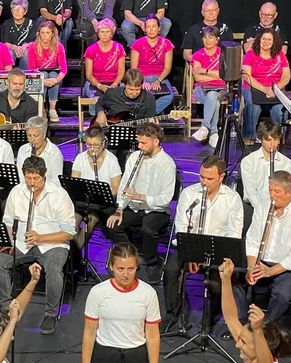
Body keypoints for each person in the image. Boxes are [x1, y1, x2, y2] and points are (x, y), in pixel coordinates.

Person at [0, 156, 75, 334]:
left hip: (53, 244)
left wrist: (41, 237)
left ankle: (50, 313)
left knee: (54, 268)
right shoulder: (17, 192)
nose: (31, 183)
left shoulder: (59, 195)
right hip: (23, 243)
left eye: (36, 178)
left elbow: (69, 233)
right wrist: (10, 241)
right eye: (28, 178)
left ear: (44, 176)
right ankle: (7, 308)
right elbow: (8, 221)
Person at [162, 155, 244, 331]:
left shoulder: (232, 198)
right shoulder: (189, 194)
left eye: (210, 178)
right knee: (170, 270)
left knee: (216, 283)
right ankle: (173, 312)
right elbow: (181, 227)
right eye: (202, 177)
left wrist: (215, 253)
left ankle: (211, 314)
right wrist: (192, 254)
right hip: (191, 245)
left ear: (221, 177)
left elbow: (234, 234)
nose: (204, 182)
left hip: (218, 249)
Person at [234, 170, 291, 325]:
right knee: (233, 275)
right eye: (270, 190)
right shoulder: (263, 207)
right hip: (260, 261)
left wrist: (269, 271)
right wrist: (251, 266)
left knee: (283, 293)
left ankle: (265, 327)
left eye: (277, 191)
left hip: (286, 268)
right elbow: (253, 240)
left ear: (290, 192)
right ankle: (241, 323)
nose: (272, 195)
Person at [104, 122, 176, 283]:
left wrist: (140, 196)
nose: (139, 146)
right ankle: (130, 258)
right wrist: (119, 209)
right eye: (139, 142)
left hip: (157, 210)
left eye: (143, 143)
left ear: (156, 142)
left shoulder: (167, 164)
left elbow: (165, 199)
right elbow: (124, 186)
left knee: (149, 229)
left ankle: (152, 263)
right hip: (135, 207)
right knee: (114, 224)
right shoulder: (134, 157)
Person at [70, 125, 121, 248]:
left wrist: (101, 194)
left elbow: (116, 188)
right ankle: (75, 256)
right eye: (89, 145)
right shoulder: (80, 158)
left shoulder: (112, 160)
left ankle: (75, 255)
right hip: (83, 203)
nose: (92, 149)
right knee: (73, 223)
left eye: (96, 145)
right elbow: (74, 183)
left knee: (90, 221)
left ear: (103, 143)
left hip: (102, 206)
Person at [240, 119, 291, 228]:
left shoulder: (286, 163)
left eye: (275, 139)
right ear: (260, 140)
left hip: (280, 209)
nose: (272, 144)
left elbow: (290, 191)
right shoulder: (248, 161)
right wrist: (263, 211)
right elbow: (251, 192)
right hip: (254, 208)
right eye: (268, 140)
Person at [241, 30, 291, 142]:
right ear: (259, 40)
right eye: (263, 39)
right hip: (253, 86)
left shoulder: (280, 55)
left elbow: (286, 76)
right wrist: (265, 89)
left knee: (278, 109)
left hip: (275, 88)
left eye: (269, 39)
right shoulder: (250, 54)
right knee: (253, 107)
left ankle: (276, 137)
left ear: (274, 42)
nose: (266, 42)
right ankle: (250, 136)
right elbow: (246, 76)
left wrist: (274, 89)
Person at [23, 21, 67, 122]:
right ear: (39, 33)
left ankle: (52, 109)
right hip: (38, 76)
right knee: (44, 75)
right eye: (42, 33)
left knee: (52, 74)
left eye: (47, 33)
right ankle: (41, 108)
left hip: (54, 75)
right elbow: (32, 69)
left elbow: (64, 68)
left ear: (52, 34)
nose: (45, 35)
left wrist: (56, 80)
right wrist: (42, 81)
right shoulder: (33, 47)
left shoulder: (59, 46)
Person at [130, 15, 175, 114]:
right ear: (145, 29)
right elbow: (134, 68)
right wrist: (141, 81)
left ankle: (146, 114)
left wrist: (158, 81)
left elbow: (167, 67)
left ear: (159, 28)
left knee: (169, 96)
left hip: (160, 77)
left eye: (153, 26)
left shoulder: (167, 44)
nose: (151, 29)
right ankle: (146, 114)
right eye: (148, 27)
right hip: (141, 77)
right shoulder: (137, 44)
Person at [191, 26, 226, 147]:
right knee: (214, 102)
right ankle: (213, 133)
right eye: (205, 37)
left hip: (221, 89)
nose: (207, 40)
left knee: (212, 95)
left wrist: (205, 71)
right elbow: (198, 78)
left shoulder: (223, 54)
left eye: (211, 37)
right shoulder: (197, 55)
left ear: (217, 39)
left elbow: (224, 76)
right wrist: (216, 75)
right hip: (200, 89)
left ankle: (205, 128)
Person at [82, 18, 126, 112]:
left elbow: (121, 71)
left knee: (117, 100)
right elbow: (89, 75)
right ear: (98, 33)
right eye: (102, 32)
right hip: (95, 83)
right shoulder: (91, 49)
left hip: (114, 82)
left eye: (107, 31)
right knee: (97, 102)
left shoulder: (119, 48)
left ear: (112, 33)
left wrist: (115, 84)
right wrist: (100, 86)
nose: (105, 34)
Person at [14, 116, 63, 187]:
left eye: (35, 136)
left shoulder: (54, 153)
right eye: (29, 135)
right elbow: (20, 177)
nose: (32, 140)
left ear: (44, 134)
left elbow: (56, 182)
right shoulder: (23, 150)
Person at [1, 0, 38, 64]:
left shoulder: (31, 23)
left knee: (27, 53)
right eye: (14, 9)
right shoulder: (6, 24)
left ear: (25, 11)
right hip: (12, 49)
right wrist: (14, 47)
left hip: (25, 49)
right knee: (10, 53)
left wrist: (25, 46)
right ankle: (9, 71)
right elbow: (5, 43)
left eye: (20, 9)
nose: (17, 11)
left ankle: (25, 71)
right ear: (11, 11)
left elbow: (34, 41)